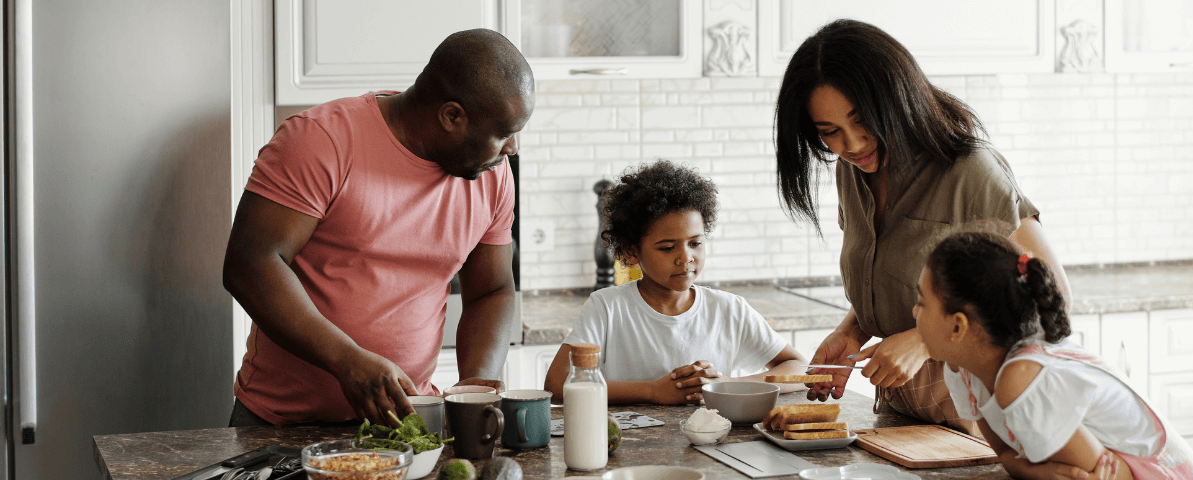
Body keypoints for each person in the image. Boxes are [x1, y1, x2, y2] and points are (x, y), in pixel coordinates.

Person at [773, 18, 1072, 434]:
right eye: (830, 133)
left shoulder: (969, 169)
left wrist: (921, 342)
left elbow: (1049, 296)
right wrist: (852, 330)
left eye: (863, 121)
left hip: (977, 408)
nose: (853, 144)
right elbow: (908, 282)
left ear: (896, 98)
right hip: (902, 409)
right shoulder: (853, 170)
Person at [221, 29, 534, 427]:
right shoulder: (321, 140)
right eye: (504, 134)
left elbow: (491, 290)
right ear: (451, 116)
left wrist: (476, 387)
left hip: (402, 423)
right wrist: (347, 361)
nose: (513, 150)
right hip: (281, 424)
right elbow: (250, 264)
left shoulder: (491, 175)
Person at [916, 231, 1193, 479]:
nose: (914, 313)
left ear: (958, 326)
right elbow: (1006, 456)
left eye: (921, 302)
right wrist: (1031, 470)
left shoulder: (1021, 378)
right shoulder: (963, 371)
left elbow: (1107, 476)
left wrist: (1029, 468)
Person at [543, 160, 808, 405]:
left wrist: (728, 384)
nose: (685, 258)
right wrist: (653, 391)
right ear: (632, 251)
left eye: (695, 243)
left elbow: (798, 368)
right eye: (668, 248)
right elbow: (556, 384)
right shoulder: (607, 307)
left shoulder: (729, 309)